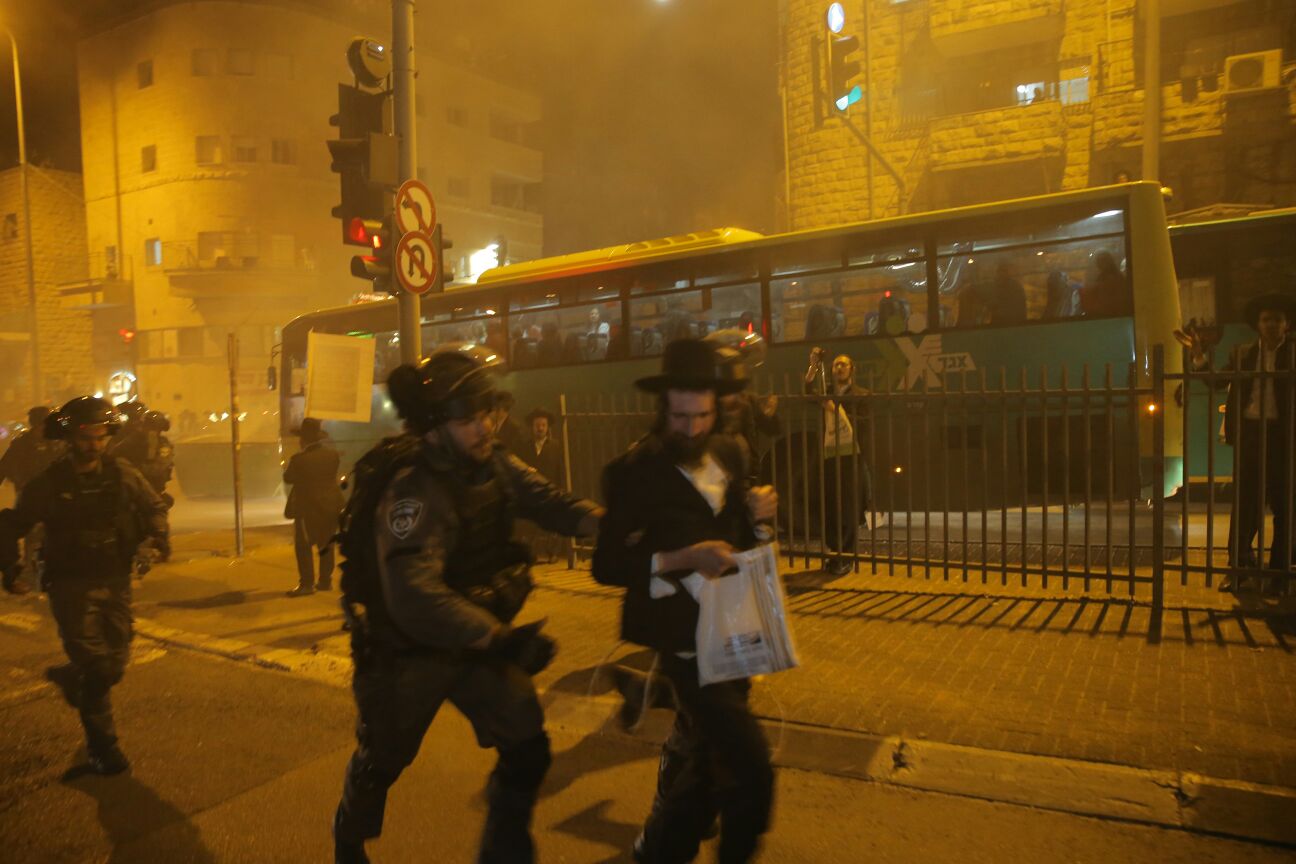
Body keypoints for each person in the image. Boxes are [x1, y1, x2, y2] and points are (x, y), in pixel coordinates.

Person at [332, 344, 602, 864]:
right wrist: (500, 640)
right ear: (434, 425)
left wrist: (611, 524)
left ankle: (504, 852)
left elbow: (552, 503)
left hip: (473, 644)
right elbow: (413, 594)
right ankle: (349, 838)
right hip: (407, 655)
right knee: (383, 759)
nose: (485, 428)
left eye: (487, 414)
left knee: (527, 744)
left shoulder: (492, 465)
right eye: (468, 419)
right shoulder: (414, 490)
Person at [593, 337, 779, 864]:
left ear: (716, 408)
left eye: (701, 416)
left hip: (736, 632)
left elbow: (746, 541)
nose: (691, 428)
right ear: (663, 407)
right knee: (750, 765)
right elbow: (606, 566)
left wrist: (762, 521)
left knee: (706, 766)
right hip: (683, 642)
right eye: (679, 416)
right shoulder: (632, 472)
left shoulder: (731, 453)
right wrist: (681, 557)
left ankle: (658, 849)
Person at [0, 397, 168, 773]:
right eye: (86, 436)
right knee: (97, 665)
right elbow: (11, 524)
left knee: (116, 662)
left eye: (100, 436)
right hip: (70, 583)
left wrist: (158, 536)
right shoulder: (50, 483)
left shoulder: (122, 474)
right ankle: (103, 748)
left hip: (115, 578)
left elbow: (154, 506)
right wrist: (10, 569)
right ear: (70, 437)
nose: (94, 444)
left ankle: (71, 676)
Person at [1186, 291, 1296, 590]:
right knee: (1245, 503)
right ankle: (1240, 567)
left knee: (1285, 505)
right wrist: (1198, 356)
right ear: (1258, 325)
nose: (1271, 324)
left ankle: (1280, 572)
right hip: (1250, 434)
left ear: (1286, 324)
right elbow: (1217, 381)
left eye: (1277, 320)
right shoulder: (1243, 353)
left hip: (1284, 437)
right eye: (1266, 319)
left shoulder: (1294, 353)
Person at [805, 347, 872, 576]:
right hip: (830, 457)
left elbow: (863, 423)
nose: (839, 367)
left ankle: (847, 555)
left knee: (849, 506)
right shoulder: (827, 392)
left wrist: (836, 409)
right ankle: (835, 553)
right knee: (831, 505)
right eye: (835, 365)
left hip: (851, 457)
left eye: (843, 364)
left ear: (852, 369)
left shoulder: (862, 394)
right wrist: (813, 368)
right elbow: (807, 393)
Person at [0, 406, 65, 583]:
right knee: (32, 534)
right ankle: (31, 571)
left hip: (57, 496)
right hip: (30, 497)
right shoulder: (21, 444)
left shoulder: (58, 442)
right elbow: (4, 467)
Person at [283, 418, 344, 597]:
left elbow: (288, 478)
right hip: (331, 506)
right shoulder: (333, 455)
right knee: (326, 545)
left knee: (304, 546)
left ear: (303, 440)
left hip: (308, 508)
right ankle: (325, 581)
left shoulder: (299, 459)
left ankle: (307, 584)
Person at [1081, 251, 1129, 318]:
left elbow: (1106, 300)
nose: (1099, 264)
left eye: (1101, 261)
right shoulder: (1106, 277)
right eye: (1098, 262)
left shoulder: (1111, 279)